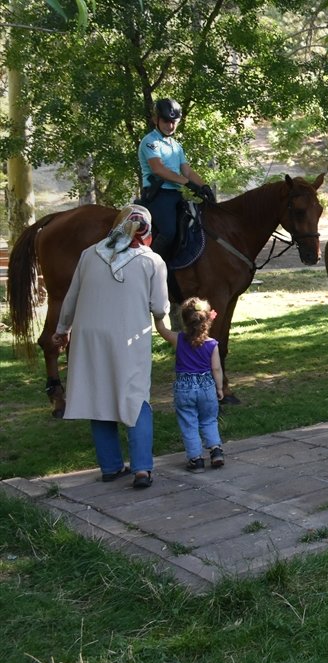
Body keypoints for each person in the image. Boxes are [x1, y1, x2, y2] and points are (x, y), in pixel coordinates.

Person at [52, 205, 170, 489]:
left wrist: (62, 330)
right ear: (146, 229)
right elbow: (158, 306)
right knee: (135, 396)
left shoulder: (89, 254)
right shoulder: (152, 261)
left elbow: (71, 298)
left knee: (98, 395)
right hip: (128, 335)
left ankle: (110, 466)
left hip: (89, 336)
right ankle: (142, 468)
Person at [154, 297, 225, 473]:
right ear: (207, 320)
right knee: (209, 420)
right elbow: (216, 369)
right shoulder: (212, 344)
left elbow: (161, 329)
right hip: (207, 387)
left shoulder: (178, 339)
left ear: (184, 320)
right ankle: (216, 451)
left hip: (184, 389)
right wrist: (219, 388)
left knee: (189, 423)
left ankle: (196, 459)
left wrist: (158, 314)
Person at [138, 97, 214, 259]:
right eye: (166, 121)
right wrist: (187, 183)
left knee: (193, 227)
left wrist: (204, 186)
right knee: (168, 232)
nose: (170, 126)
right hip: (158, 196)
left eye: (173, 122)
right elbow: (158, 169)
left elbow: (187, 171)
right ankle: (150, 265)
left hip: (175, 195)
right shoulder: (150, 142)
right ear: (155, 119)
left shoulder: (176, 146)